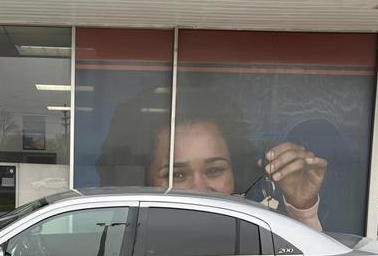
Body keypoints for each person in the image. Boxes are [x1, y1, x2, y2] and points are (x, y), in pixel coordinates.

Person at [96, 89, 328, 231]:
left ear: (236, 172)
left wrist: (303, 210)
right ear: (145, 180)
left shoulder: (252, 237)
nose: (199, 189)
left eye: (215, 170)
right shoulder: (125, 245)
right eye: (177, 174)